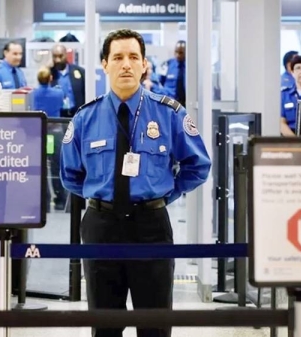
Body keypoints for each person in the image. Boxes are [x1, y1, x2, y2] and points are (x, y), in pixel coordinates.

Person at [60, 29, 211, 337]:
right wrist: (103, 197)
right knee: (104, 326)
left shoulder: (169, 113)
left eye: (133, 57)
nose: (126, 64)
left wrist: (164, 195)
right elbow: (70, 174)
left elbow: (198, 165)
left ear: (145, 65)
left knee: (154, 324)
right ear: (104, 64)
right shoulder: (85, 118)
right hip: (101, 226)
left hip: (151, 226)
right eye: (118, 57)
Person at [33, 66, 66, 211]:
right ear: (50, 78)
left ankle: (44, 201)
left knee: (40, 168)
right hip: (55, 132)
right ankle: (60, 200)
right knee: (56, 166)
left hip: (39, 133)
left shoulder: (33, 94)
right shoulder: (58, 93)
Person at [49, 44, 86, 117]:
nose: (57, 60)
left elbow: (84, 94)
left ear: (66, 55)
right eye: (55, 56)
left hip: (76, 115)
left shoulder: (79, 71)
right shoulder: (49, 74)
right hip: (57, 117)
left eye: (60, 56)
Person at [158, 40, 186, 106]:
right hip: (170, 102)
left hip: (186, 103)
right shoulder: (166, 64)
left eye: (181, 53)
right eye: (176, 52)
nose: (178, 55)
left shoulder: (191, 67)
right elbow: (160, 81)